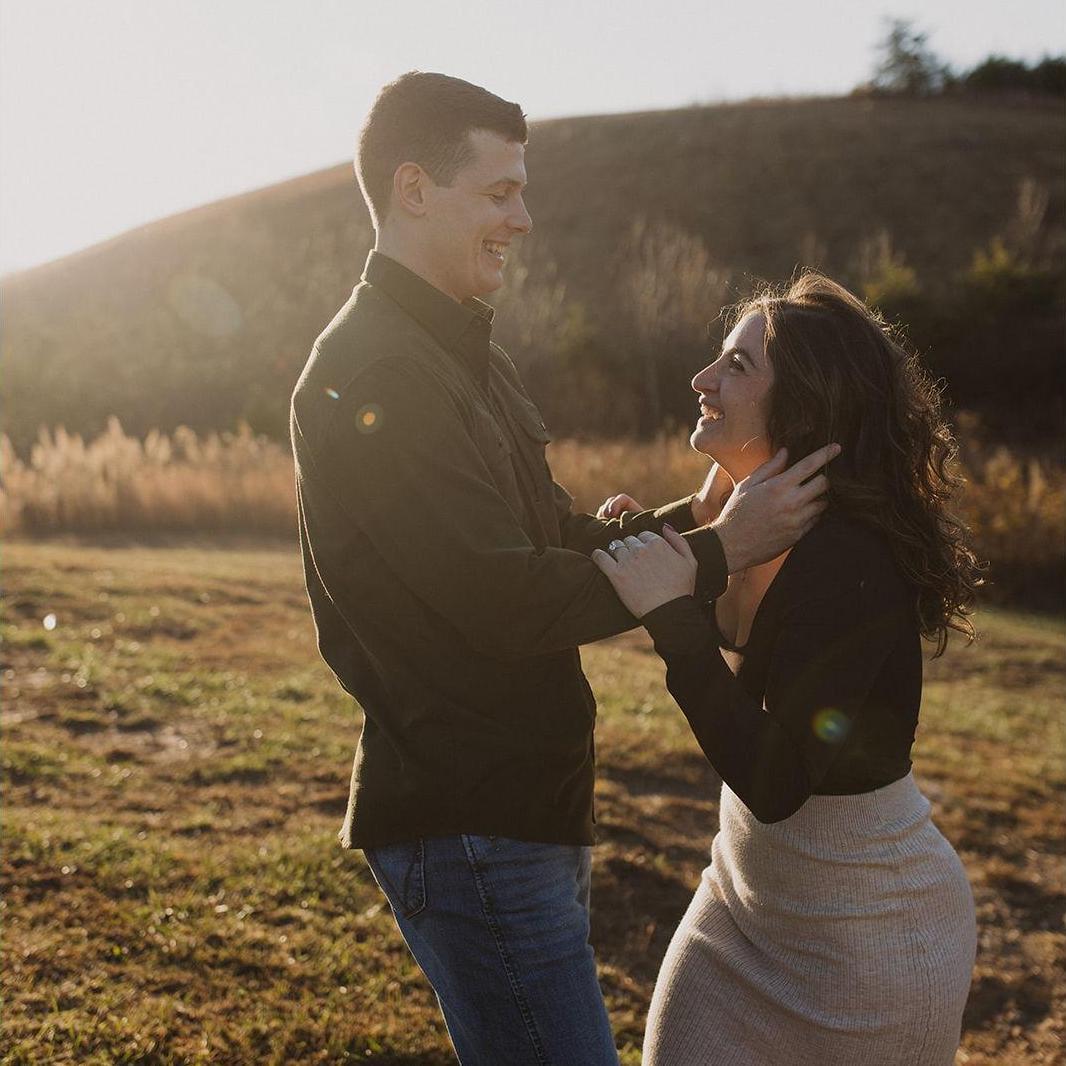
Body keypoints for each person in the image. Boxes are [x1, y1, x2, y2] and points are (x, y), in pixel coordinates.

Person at [289, 71, 837, 1064]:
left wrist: (692, 518)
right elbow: (502, 599)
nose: (524, 219)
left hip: (522, 806)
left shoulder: (463, 350)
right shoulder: (381, 372)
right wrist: (725, 549)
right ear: (414, 190)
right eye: (499, 192)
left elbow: (548, 535)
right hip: (468, 817)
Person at [592, 272, 981, 1065]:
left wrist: (675, 623)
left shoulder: (849, 561)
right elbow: (642, 563)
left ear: (804, 407)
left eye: (736, 366)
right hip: (739, 908)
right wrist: (663, 530)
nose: (702, 379)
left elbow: (776, 780)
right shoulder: (753, 522)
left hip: (871, 946)